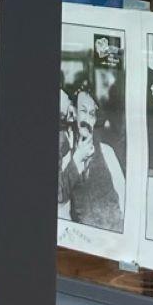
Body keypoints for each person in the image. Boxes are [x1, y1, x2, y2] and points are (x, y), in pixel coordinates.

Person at [59, 87, 125, 233]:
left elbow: (123, 194)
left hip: (114, 232)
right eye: (83, 111)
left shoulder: (107, 152)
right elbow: (60, 204)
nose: (87, 119)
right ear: (74, 114)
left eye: (92, 114)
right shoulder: (66, 158)